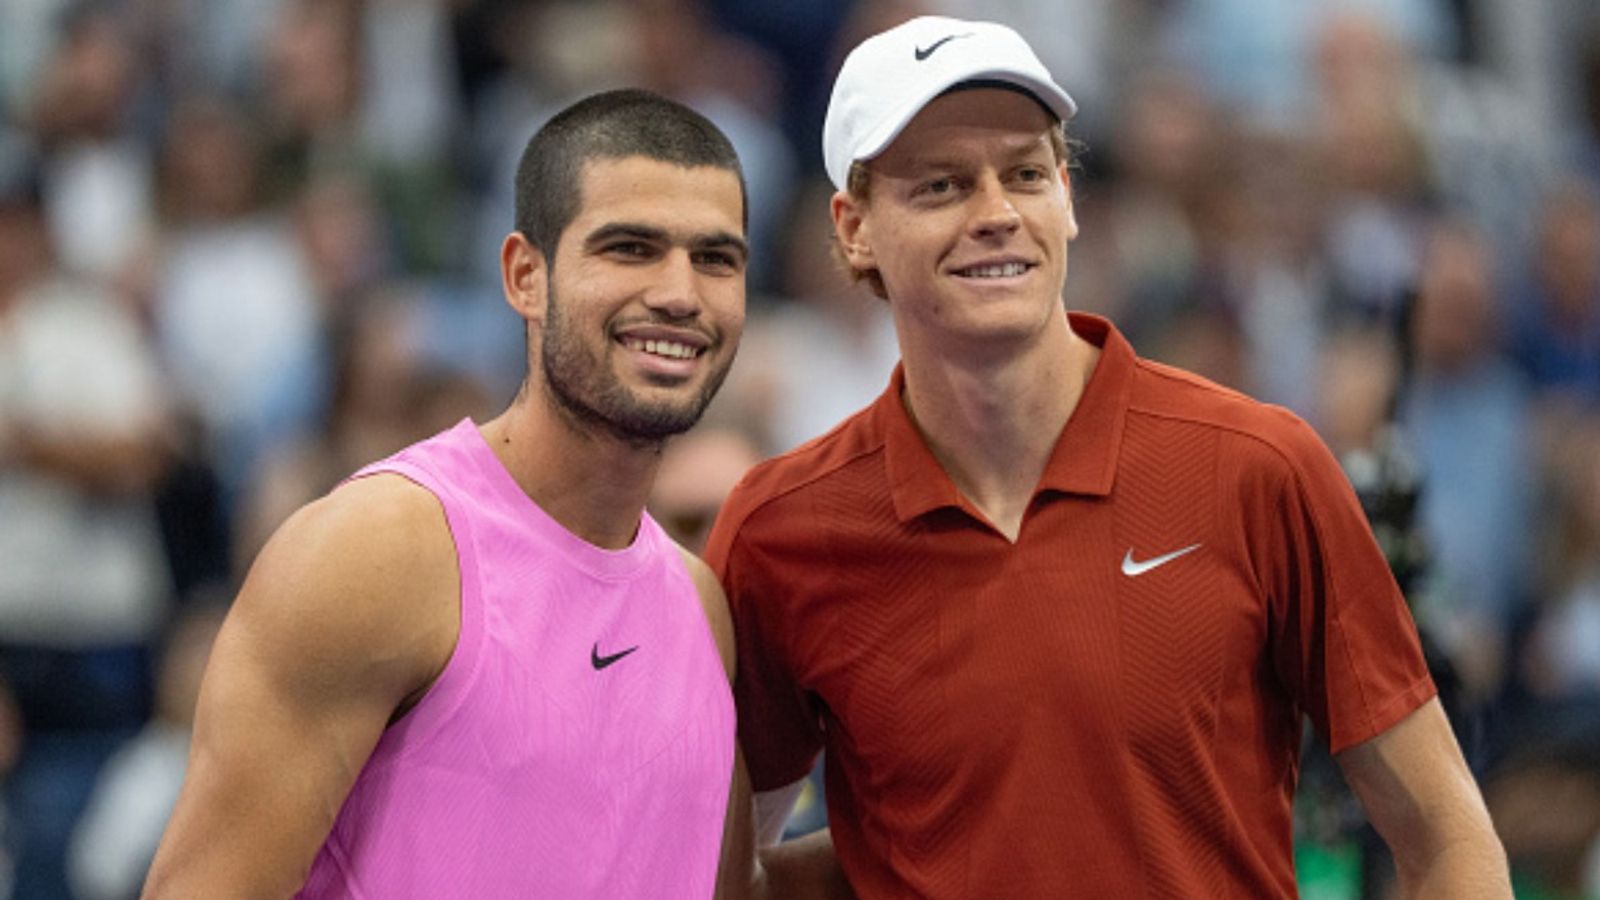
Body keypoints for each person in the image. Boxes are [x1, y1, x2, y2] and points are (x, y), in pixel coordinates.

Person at [705, 16, 1512, 897]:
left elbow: (1447, 839)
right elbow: (720, 871)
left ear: (1068, 197)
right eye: (941, 186)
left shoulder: (1259, 467)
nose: (997, 214)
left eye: (1024, 174)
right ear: (855, 229)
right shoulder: (782, 530)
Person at [143, 88, 750, 899]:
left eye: (716, 258)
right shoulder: (380, 550)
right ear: (525, 276)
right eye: (631, 248)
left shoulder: (701, 603)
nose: (681, 292)